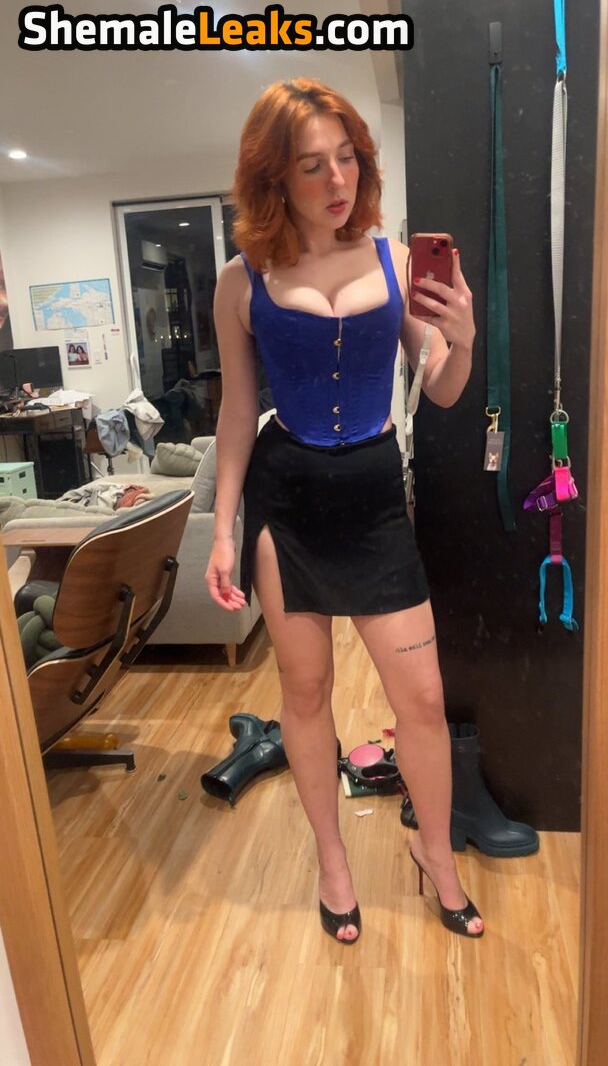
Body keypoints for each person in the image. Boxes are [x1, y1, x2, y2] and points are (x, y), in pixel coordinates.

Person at [204, 77, 482, 943]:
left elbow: (443, 391)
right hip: (284, 500)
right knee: (307, 691)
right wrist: (222, 529)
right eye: (312, 165)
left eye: (348, 158)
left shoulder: (395, 261)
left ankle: (435, 854)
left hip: (372, 497)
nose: (338, 180)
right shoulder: (240, 279)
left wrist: (464, 336)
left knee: (423, 699)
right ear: (274, 178)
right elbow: (237, 410)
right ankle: (331, 859)